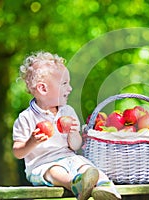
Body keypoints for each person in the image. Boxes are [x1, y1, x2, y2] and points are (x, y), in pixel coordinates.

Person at [12, 51, 121, 200]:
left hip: (69, 158)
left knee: (87, 167)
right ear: (43, 89)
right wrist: (32, 141)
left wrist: (73, 134)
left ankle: (104, 188)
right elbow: (18, 152)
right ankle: (75, 184)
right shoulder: (27, 118)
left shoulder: (67, 112)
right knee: (55, 171)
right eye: (64, 84)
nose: (69, 88)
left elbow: (75, 146)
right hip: (43, 165)